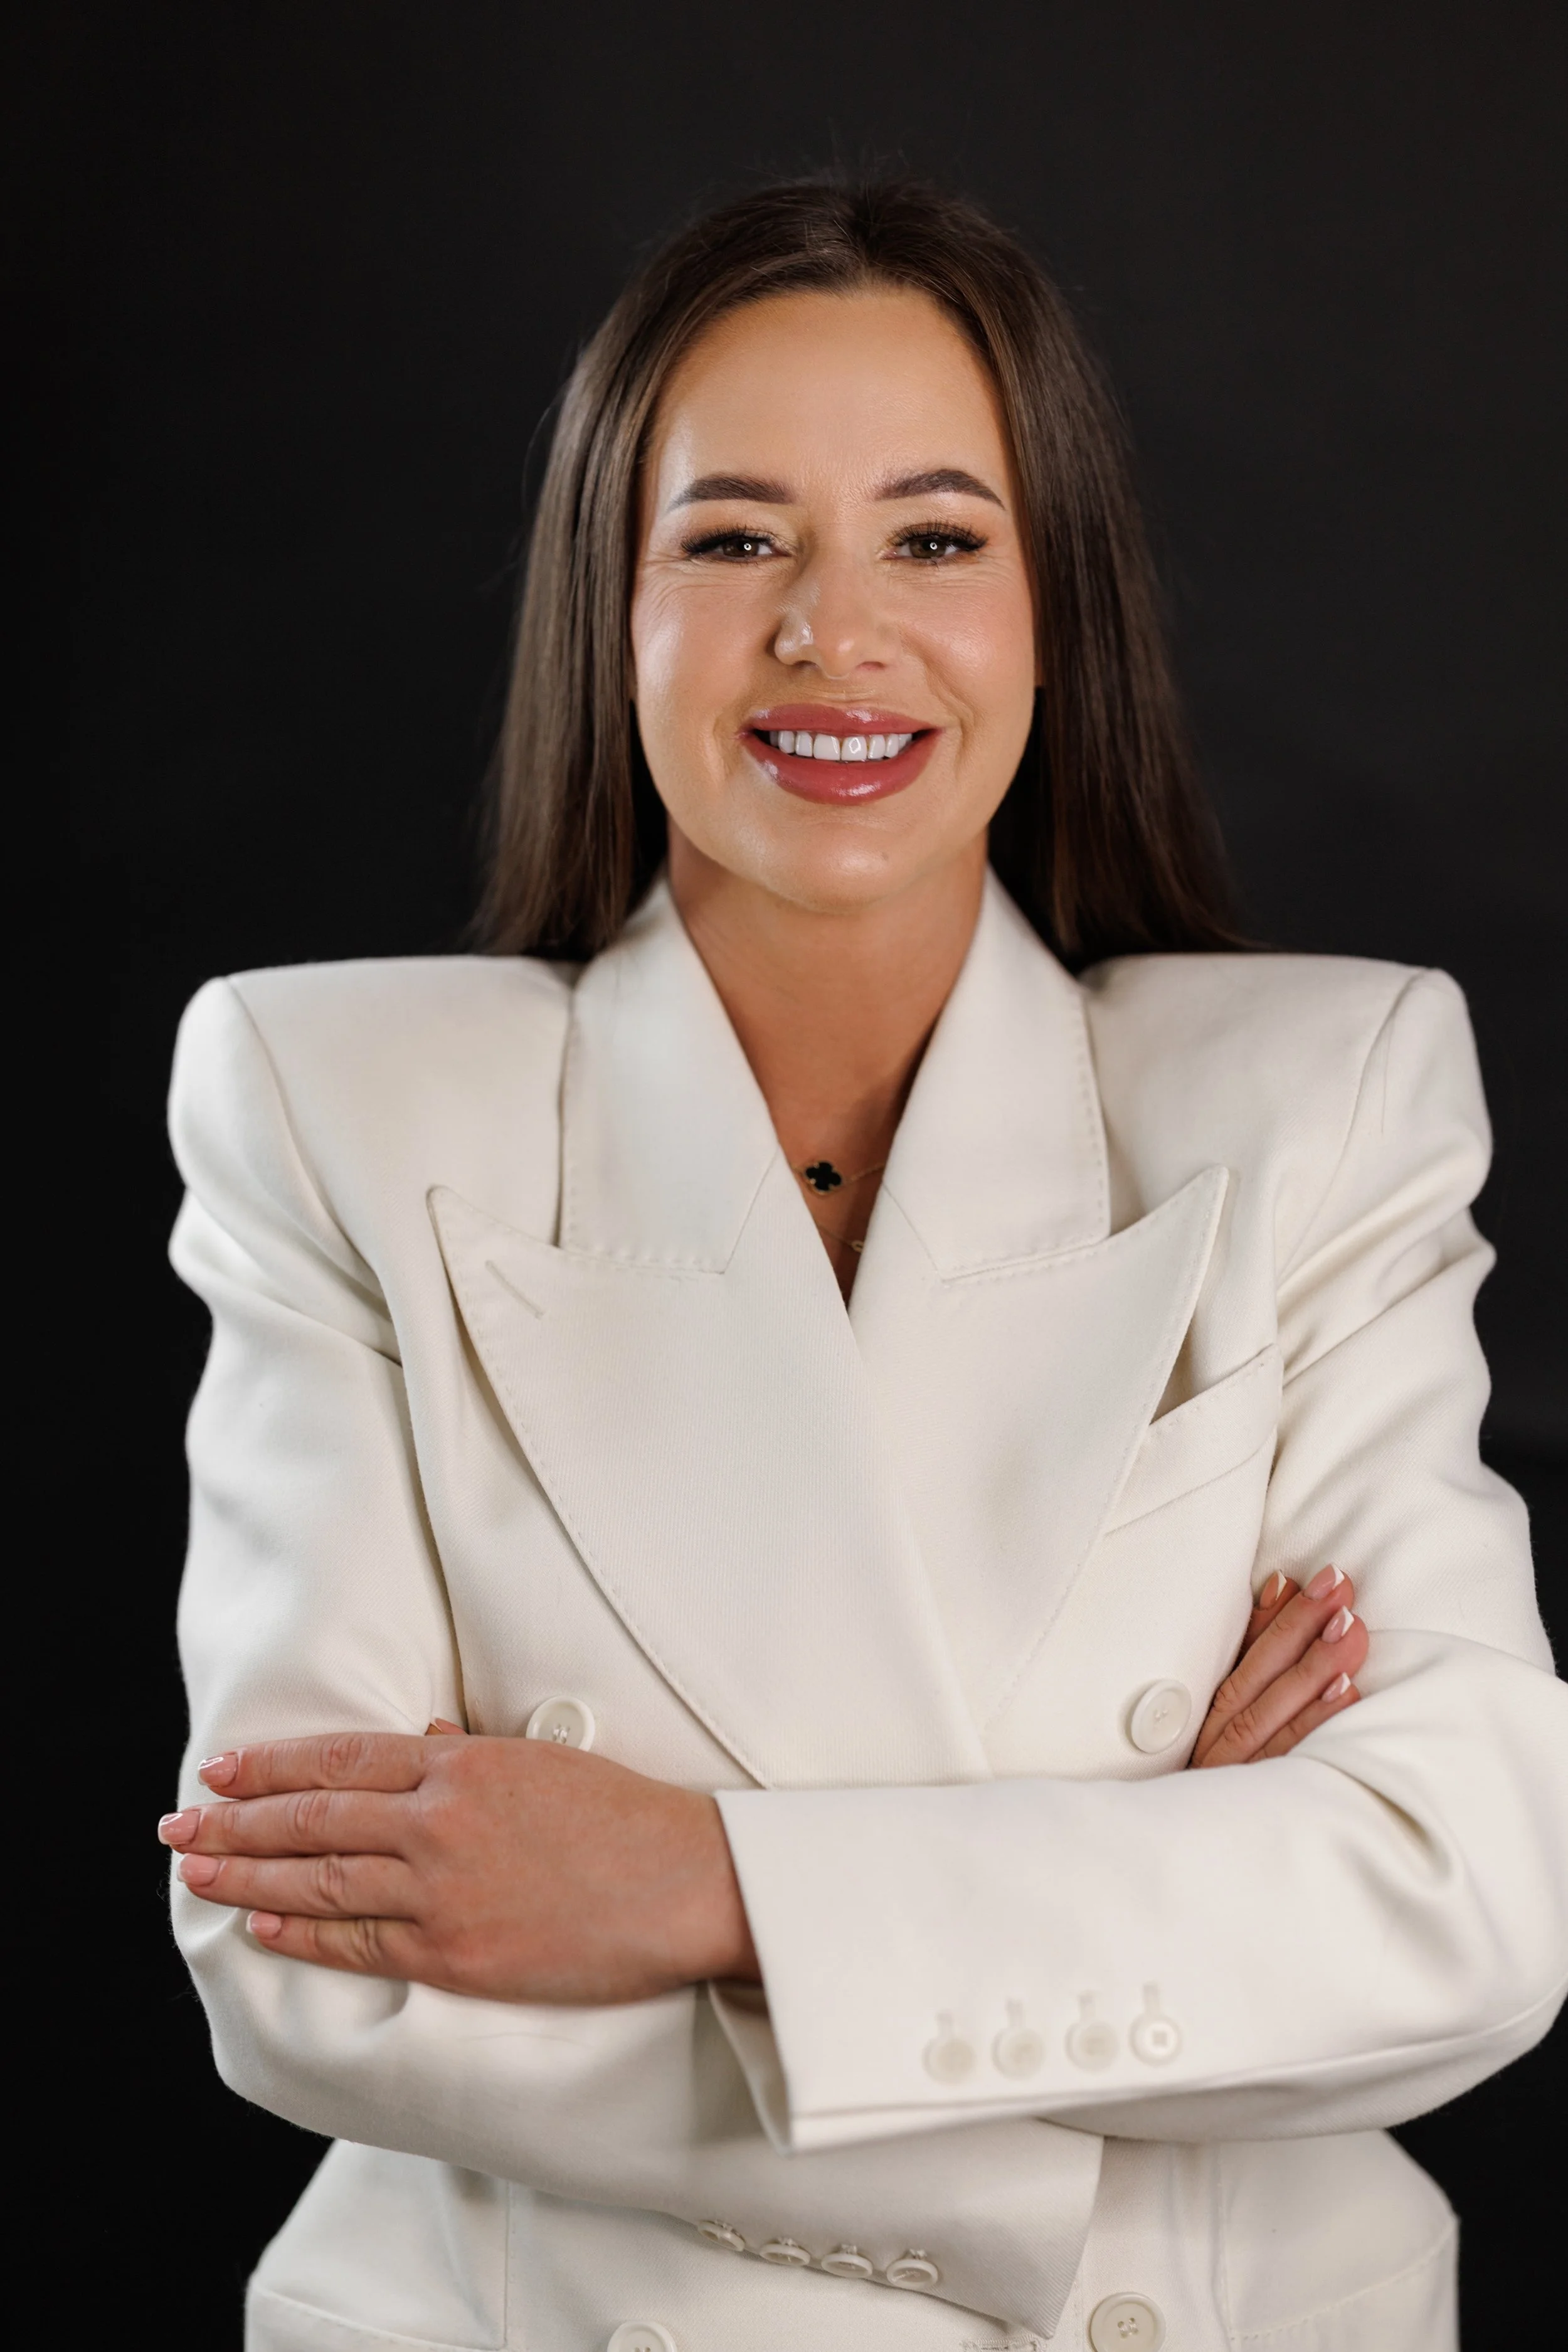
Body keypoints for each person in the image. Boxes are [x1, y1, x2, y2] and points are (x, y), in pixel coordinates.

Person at [158, 180, 1567, 2352]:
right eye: (736, 541)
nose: (835, 632)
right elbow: (310, 1957)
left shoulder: (1329, 1096)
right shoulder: (336, 1100)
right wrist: (1139, 1906)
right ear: (609, 610)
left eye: (933, 538)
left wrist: (691, 1881)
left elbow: (1458, 1902)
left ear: (1051, 609)